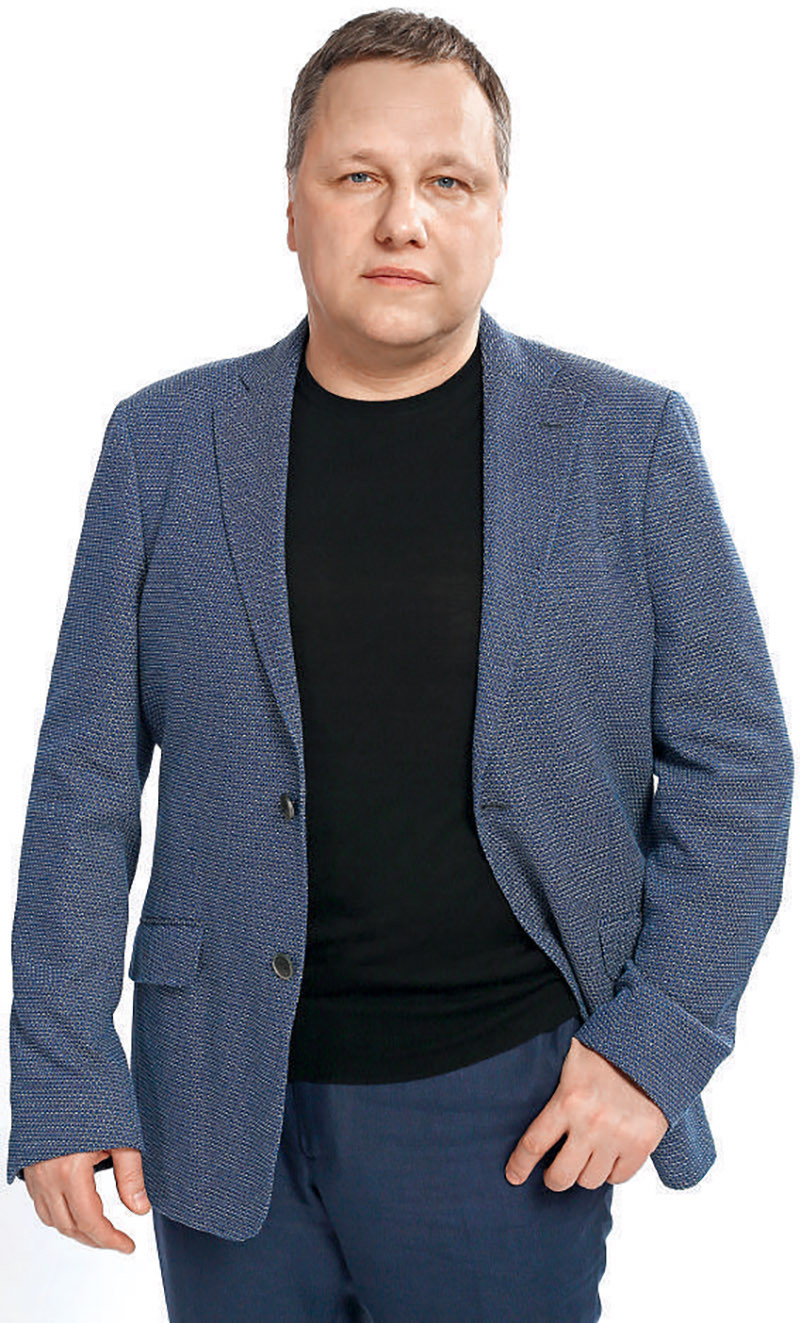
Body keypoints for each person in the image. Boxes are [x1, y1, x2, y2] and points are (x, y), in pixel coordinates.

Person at [7, 9, 793, 1322]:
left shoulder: (628, 443)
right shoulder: (163, 446)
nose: (401, 220)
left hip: (511, 1101)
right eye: (358, 175)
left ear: (498, 212)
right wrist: (62, 1074)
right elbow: (83, 783)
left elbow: (741, 774)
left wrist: (653, 1047)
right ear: (293, 206)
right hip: (219, 1101)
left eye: (447, 181)